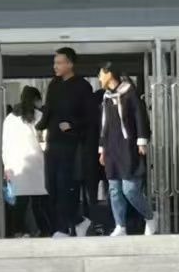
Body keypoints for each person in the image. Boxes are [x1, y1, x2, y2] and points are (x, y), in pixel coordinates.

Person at [98, 62, 158, 238]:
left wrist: (142, 141)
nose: (99, 78)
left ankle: (150, 216)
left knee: (130, 190)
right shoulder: (106, 96)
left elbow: (140, 117)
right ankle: (120, 226)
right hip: (111, 148)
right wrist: (102, 149)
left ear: (109, 74)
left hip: (129, 147)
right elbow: (103, 124)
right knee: (114, 189)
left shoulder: (130, 92)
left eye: (101, 74)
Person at [42, 47, 97, 239]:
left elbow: (91, 117)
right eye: (54, 63)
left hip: (71, 145)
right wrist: (40, 125)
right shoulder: (54, 84)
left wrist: (72, 125)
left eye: (59, 63)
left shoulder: (82, 86)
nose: (55, 66)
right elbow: (49, 109)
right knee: (51, 187)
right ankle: (78, 221)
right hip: (53, 143)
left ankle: (64, 228)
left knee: (66, 187)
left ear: (70, 64)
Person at [2, 86, 51, 238]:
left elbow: (6, 144)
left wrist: (7, 166)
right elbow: (45, 142)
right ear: (36, 100)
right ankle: (45, 230)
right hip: (37, 164)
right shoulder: (40, 116)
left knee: (20, 202)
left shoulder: (10, 118)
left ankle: (18, 231)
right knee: (39, 202)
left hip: (17, 165)